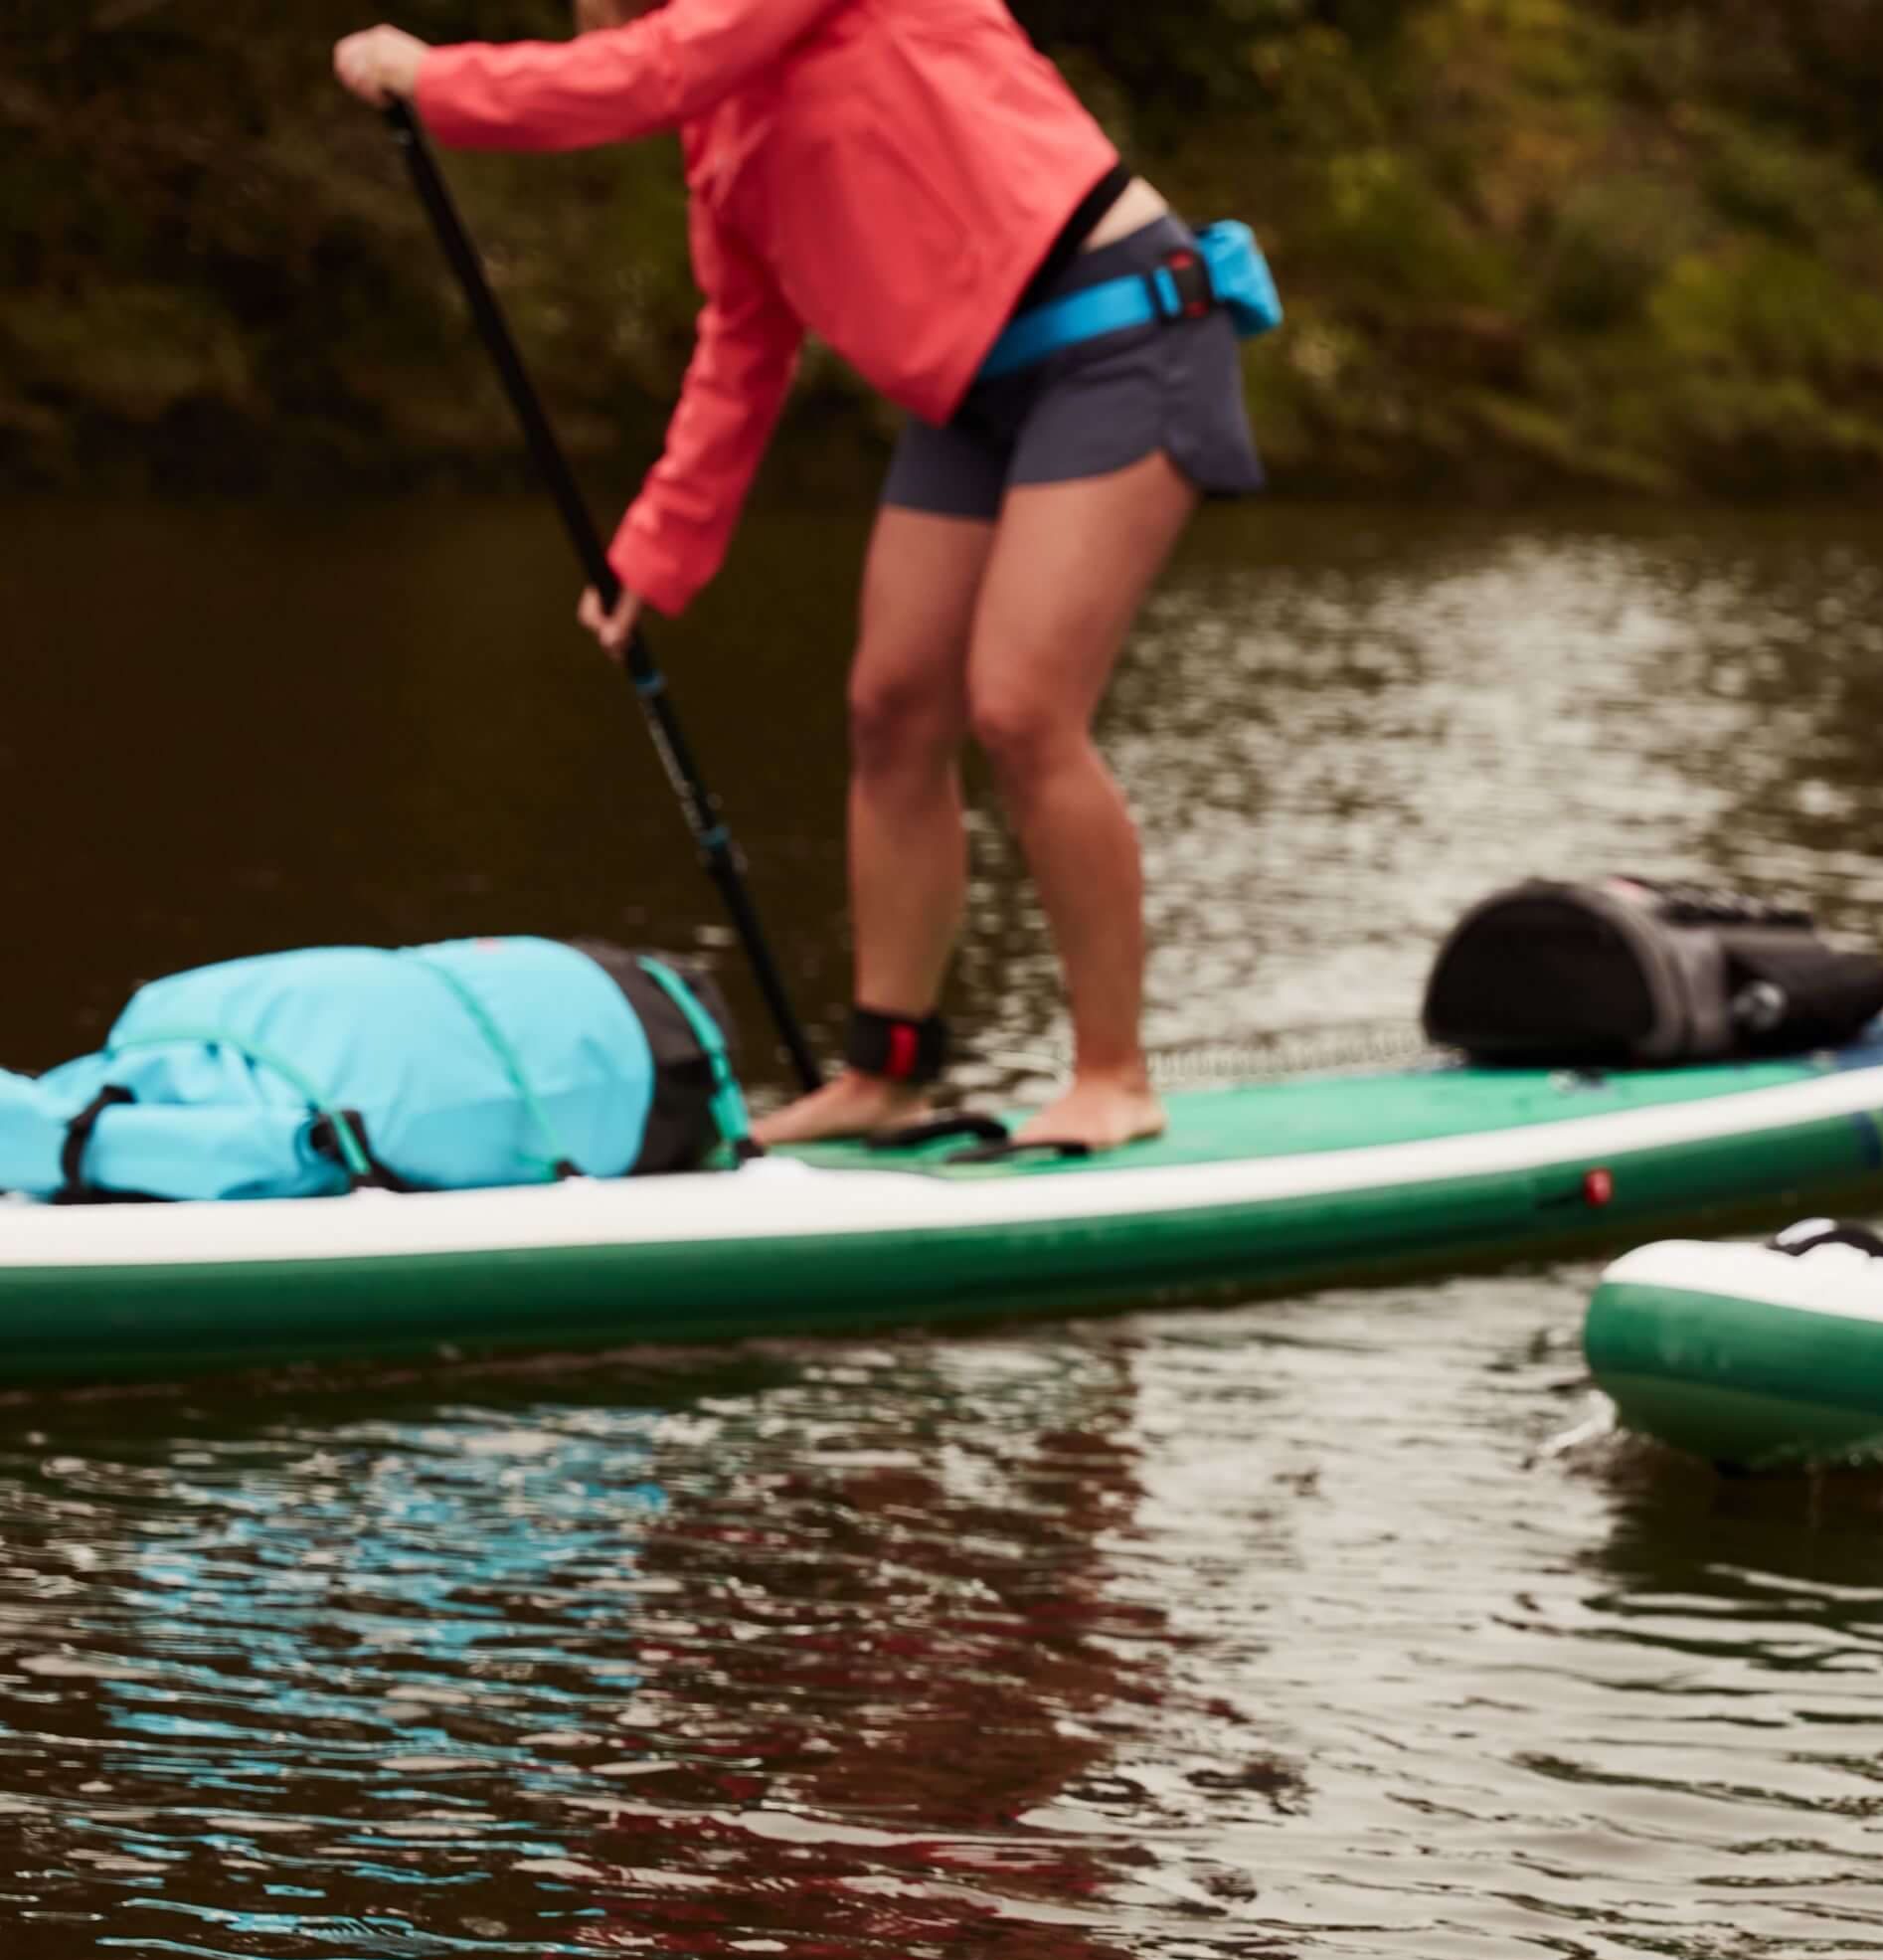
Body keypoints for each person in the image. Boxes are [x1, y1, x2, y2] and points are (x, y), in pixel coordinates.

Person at [331, 0, 1267, 1154]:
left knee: (1021, 708)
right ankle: (886, 1072)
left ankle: (1114, 1075)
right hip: (968, 393)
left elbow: (652, 68)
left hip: (1122, 331)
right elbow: (743, 345)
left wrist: (438, 81)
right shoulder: (721, 138)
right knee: (890, 711)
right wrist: (652, 552)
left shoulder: (730, 41)